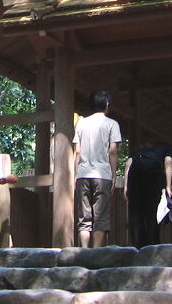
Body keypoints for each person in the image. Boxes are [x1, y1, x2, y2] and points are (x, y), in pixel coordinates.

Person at [73, 90, 123, 248]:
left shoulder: (81, 123)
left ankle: (84, 253)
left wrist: (76, 173)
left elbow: (78, 151)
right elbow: (113, 151)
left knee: (84, 218)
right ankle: (96, 254)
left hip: (83, 174)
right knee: (100, 219)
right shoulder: (111, 124)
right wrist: (114, 175)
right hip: (102, 174)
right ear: (107, 104)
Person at [123, 140, 172, 248]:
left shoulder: (138, 149)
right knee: (152, 215)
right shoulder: (165, 147)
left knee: (136, 216)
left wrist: (126, 186)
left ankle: (137, 248)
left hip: (135, 183)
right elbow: (168, 162)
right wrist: (168, 186)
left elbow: (128, 164)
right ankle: (153, 247)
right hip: (154, 182)